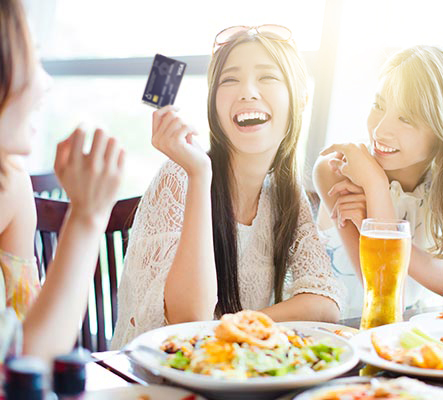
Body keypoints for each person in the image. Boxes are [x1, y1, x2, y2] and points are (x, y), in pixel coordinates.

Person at [112, 24, 343, 349]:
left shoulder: (283, 193)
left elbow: (324, 302)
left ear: (300, 100)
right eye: (230, 79)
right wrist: (199, 174)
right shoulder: (181, 176)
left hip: (231, 373)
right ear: (214, 105)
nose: (247, 91)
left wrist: (237, 327)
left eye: (267, 77)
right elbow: (189, 320)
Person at [0, 0, 125, 360]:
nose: (46, 82)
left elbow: (28, 356)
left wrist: (89, 214)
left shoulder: (11, 183)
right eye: (32, 58)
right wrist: (86, 218)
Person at [313, 45, 443, 318]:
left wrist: (376, 194)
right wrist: (374, 183)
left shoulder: (436, 184)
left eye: (405, 118)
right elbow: (385, 297)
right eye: (378, 105)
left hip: (404, 337)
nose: (381, 129)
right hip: (339, 333)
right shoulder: (338, 169)